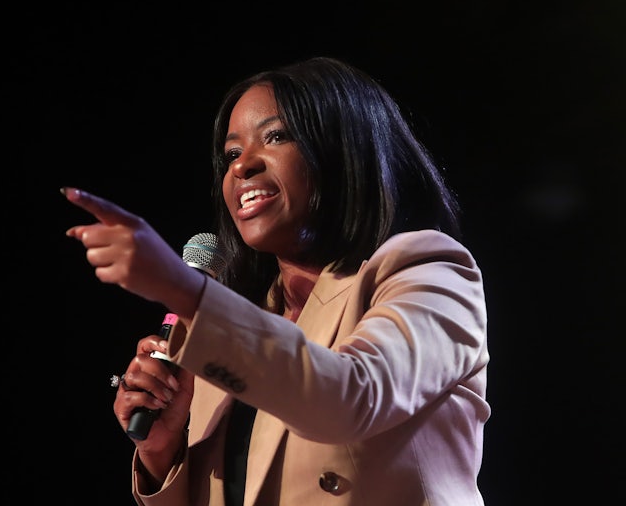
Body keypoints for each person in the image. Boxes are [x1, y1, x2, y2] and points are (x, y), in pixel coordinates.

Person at [62, 56, 490, 506]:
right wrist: (162, 451)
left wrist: (180, 288)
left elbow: (350, 399)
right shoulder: (237, 325)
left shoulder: (429, 272)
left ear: (343, 150)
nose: (242, 166)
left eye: (276, 136)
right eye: (230, 154)